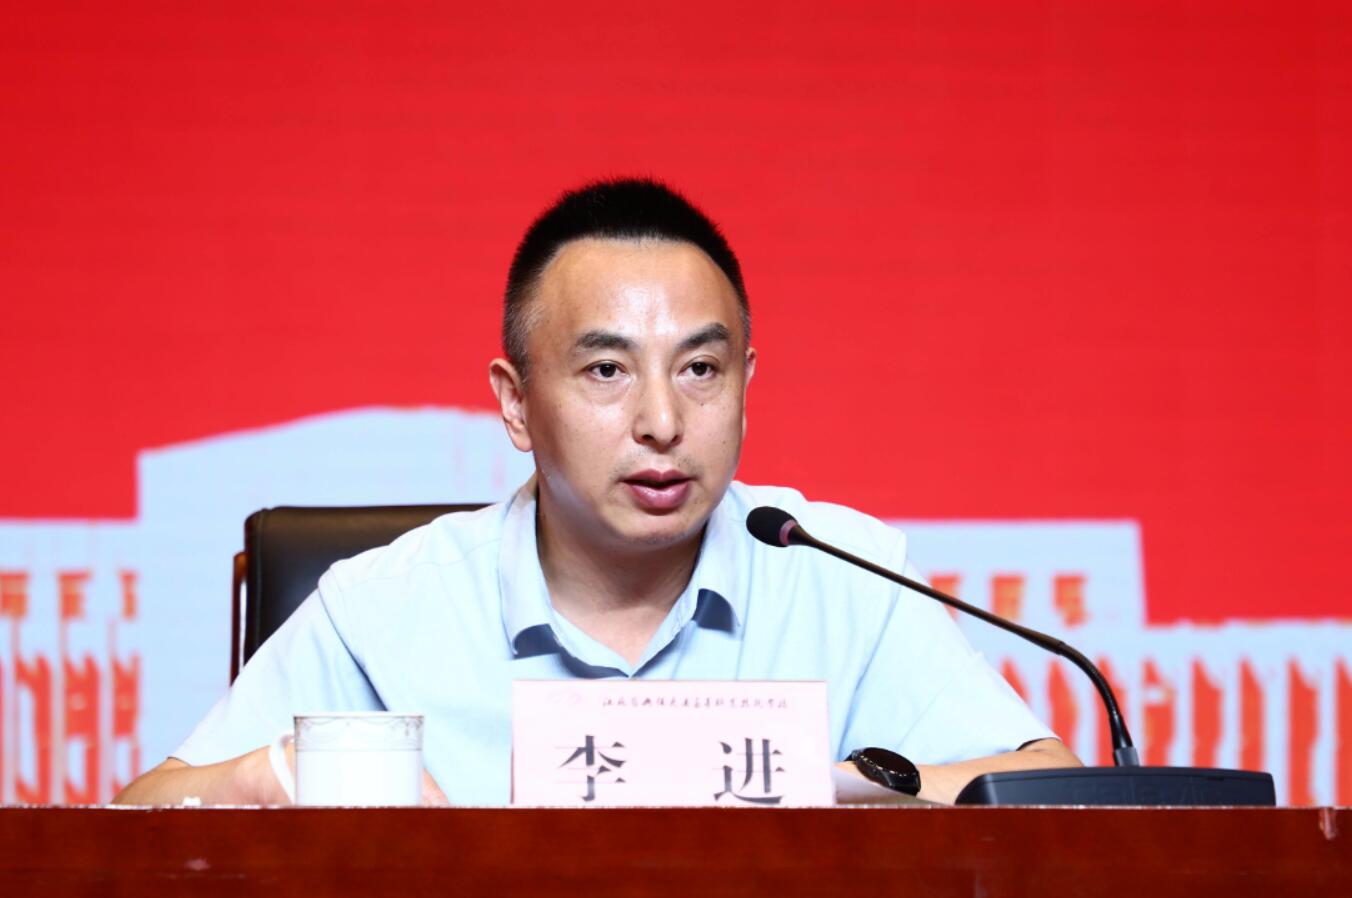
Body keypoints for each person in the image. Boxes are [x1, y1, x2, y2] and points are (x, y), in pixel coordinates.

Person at [114, 178, 1079, 807]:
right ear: (515, 404)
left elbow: (1049, 789)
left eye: (700, 370)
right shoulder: (386, 608)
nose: (662, 420)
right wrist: (275, 779)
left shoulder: (843, 576)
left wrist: (828, 789)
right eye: (607, 371)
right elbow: (133, 821)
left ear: (747, 384)